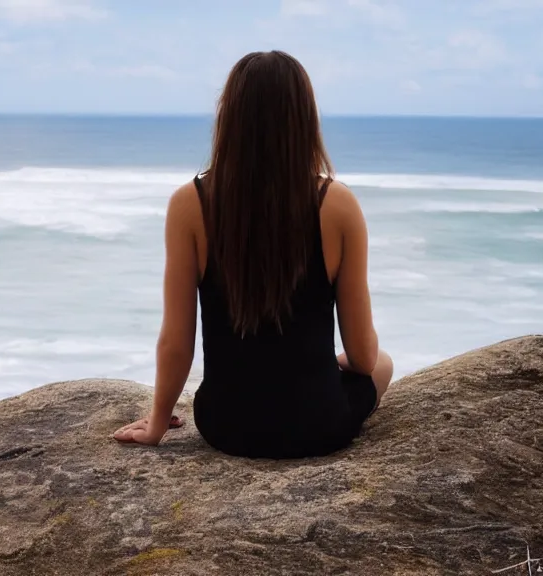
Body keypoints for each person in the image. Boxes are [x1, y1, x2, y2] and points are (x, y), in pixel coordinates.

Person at [113, 50, 393, 459]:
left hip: (226, 426)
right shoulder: (338, 204)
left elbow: (176, 342)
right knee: (383, 363)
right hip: (317, 425)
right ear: (304, 119)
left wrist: (158, 422)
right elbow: (365, 357)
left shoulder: (190, 204)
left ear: (229, 117)